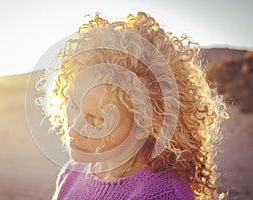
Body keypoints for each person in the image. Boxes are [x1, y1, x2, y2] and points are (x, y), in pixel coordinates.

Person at [36, 12, 228, 200]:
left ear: (144, 125)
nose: (74, 128)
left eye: (97, 119)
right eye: (73, 105)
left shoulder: (164, 195)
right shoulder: (74, 172)